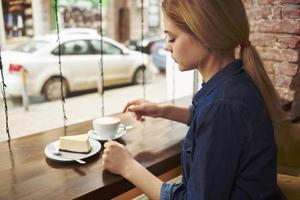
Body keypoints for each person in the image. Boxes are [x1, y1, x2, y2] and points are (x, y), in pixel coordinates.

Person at [101, 0, 287, 199]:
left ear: (205, 36)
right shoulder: (235, 83)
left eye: (172, 38)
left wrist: (128, 167)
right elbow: (210, 120)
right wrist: (161, 110)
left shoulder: (222, 107)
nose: (166, 47)